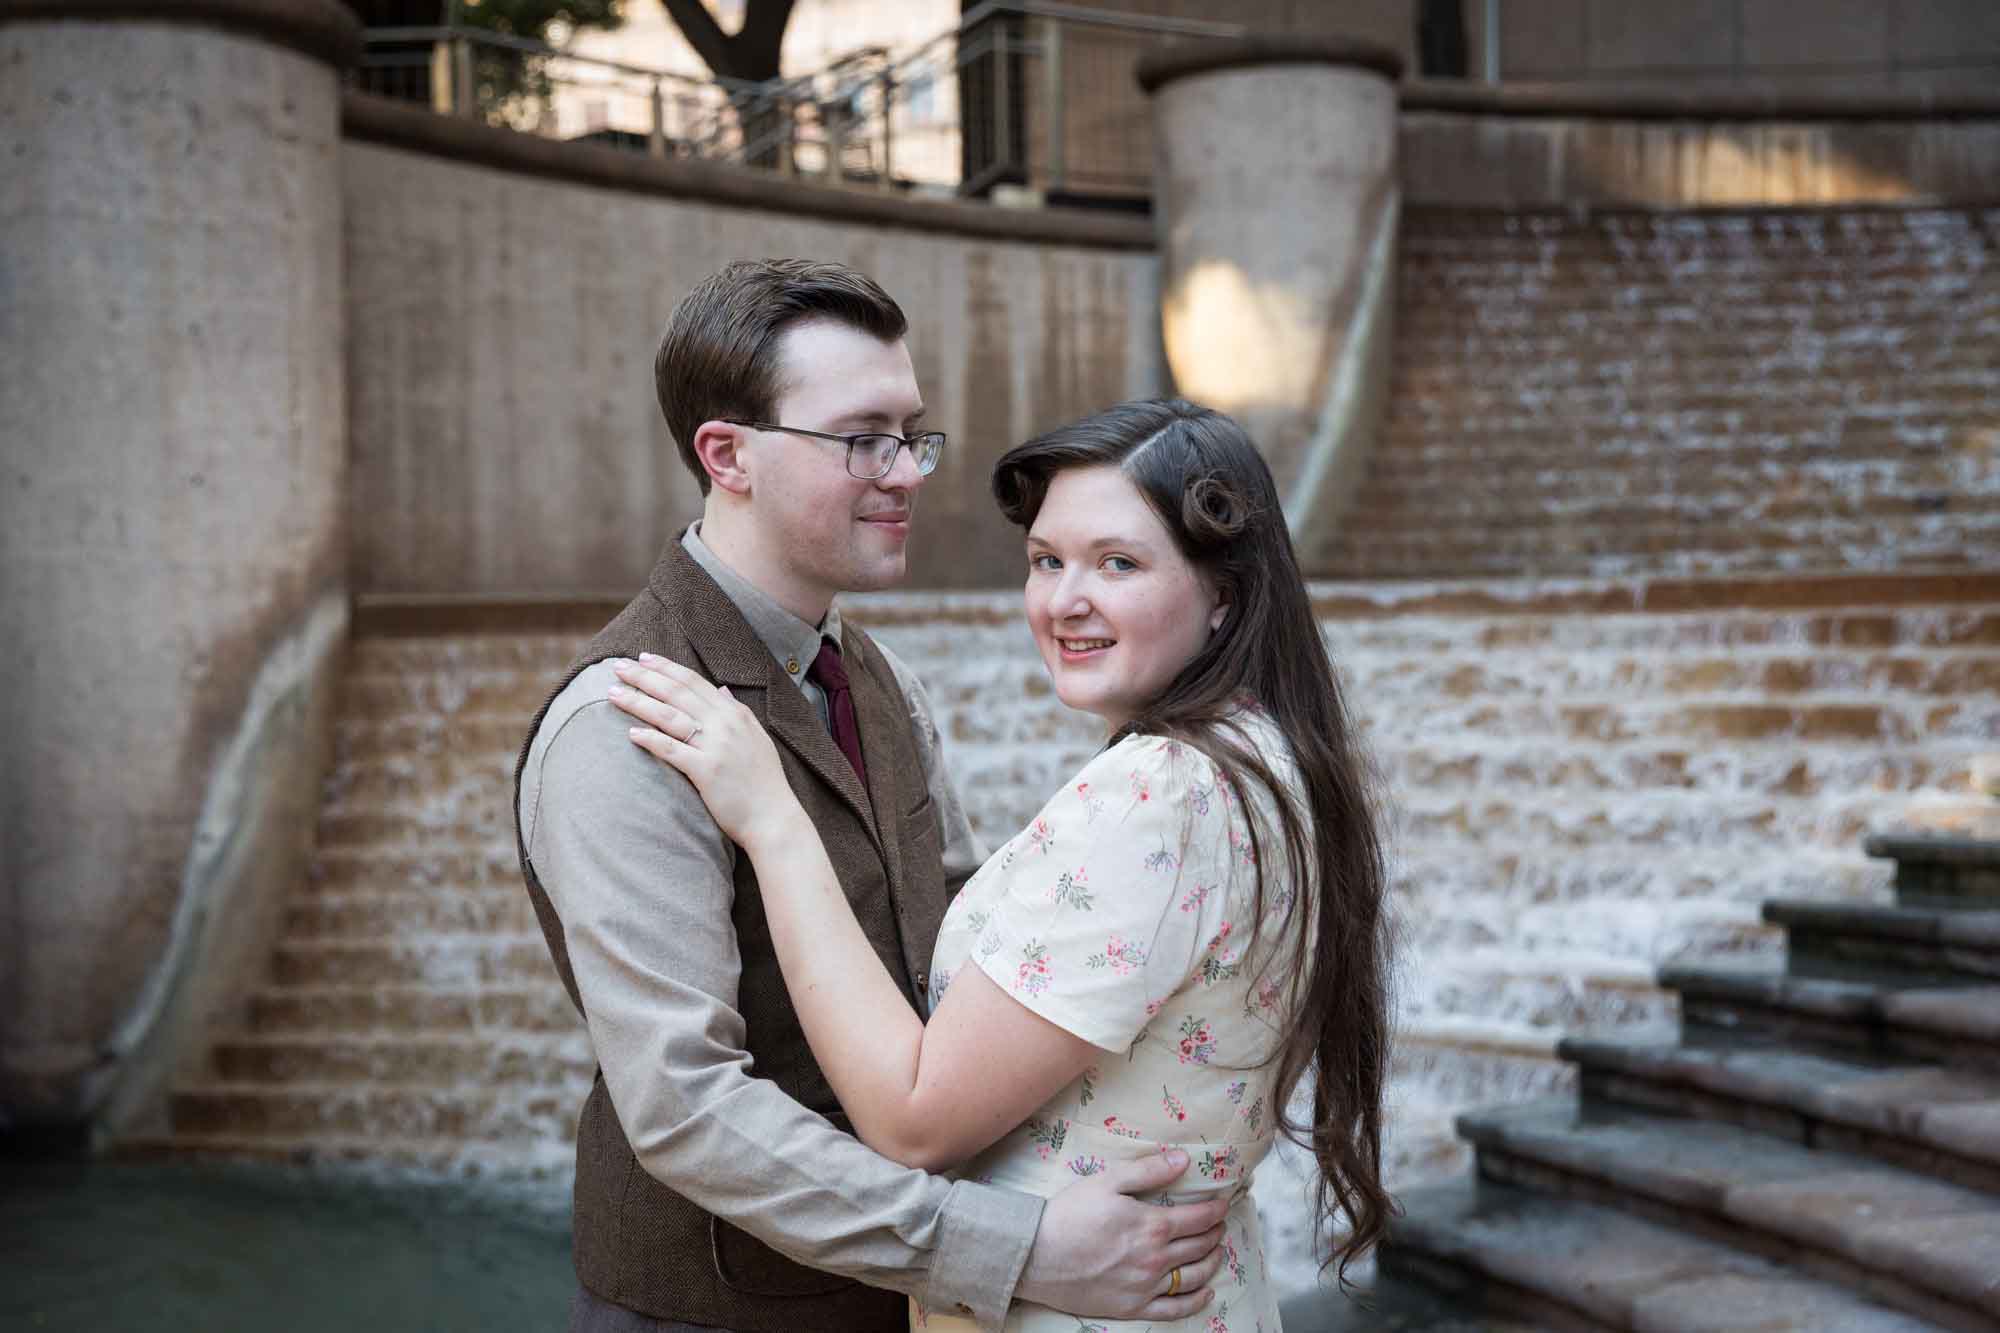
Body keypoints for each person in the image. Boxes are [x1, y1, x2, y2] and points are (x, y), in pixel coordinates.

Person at [514, 260, 1231, 1333]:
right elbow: (684, 1106)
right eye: (863, 439)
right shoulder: (620, 725)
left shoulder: (883, 682)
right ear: (728, 455)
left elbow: (956, 968)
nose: (905, 471)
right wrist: (1009, 1247)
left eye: (912, 432)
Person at [611, 397, 1396, 1331]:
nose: (1065, 600)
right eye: (1046, 560)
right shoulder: (1272, 757)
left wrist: (772, 816)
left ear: (1223, 591)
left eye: (1119, 563)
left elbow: (912, 1117)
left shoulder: (1158, 795)